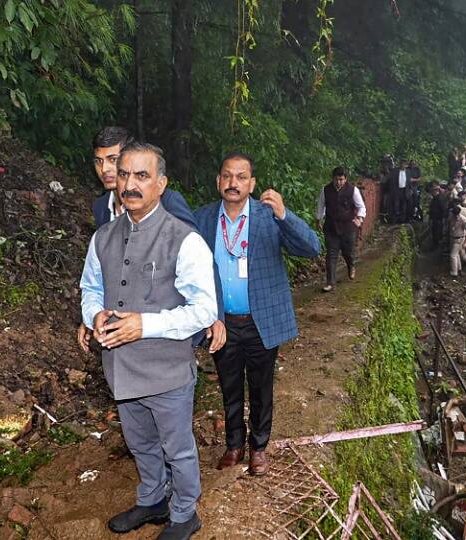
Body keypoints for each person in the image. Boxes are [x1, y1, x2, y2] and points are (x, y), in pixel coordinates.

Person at [80, 142, 217, 539]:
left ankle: (184, 514)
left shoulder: (184, 239)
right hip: (120, 369)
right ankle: (152, 498)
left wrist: (146, 325)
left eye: (142, 176)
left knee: (178, 449)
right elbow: (90, 287)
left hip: (166, 371)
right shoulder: (102, 237)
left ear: (161, 184)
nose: (130, 184)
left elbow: (204, 309)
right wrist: (95, 314)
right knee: (140, 443)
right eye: (124, 174)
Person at [193, 152, 320, 476]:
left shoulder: (267, 217)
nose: (233, 183)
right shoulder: (203, 219)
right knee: (229, 386)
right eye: (227, 176)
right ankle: (234, 445)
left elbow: (311, 248)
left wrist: (285, 214)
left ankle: (258, 447)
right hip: (222, 324)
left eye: (240, 177)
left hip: (260, 321)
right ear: (218, 181)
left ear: (251, 183)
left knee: (262, 388)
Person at [77, 127, 197, 353]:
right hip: (120, 331)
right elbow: (104, 270)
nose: (105, 169)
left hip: (165, 333)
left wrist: (214, 316)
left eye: (113, 160)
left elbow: (199, 260)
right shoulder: (101, 207)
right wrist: (91, 316)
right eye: (98, 161)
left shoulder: (167, 201)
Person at [316, 167, 366, 291]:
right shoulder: (325, 190)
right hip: (331, 227)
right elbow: (321, 206)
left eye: (341, 179)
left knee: (348, 252)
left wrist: (359, 218)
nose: (339, 182)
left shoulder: (353, 190)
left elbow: (361, 207)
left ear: (346, 179)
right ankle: (330, 282)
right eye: (337, 179)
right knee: (331, 255)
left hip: (347, 227)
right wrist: (318, 219)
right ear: (333, 178)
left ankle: (351, 266)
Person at [448, 204, 466, 277]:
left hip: (459, 238)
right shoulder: (451, 217)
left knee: (452, 255)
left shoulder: (463, 219)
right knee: (456, 254)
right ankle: (459, 269)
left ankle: (454, 272)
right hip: (452, 237)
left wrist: (465, 242)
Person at [429, 183, 448, 250]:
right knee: (435, 232)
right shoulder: (435, 199)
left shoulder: (440, 199)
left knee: (437, 233)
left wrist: (442, 218)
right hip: (435, 218)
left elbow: (443, 209)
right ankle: (435, 245)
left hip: (438, 219)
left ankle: (436, 246)